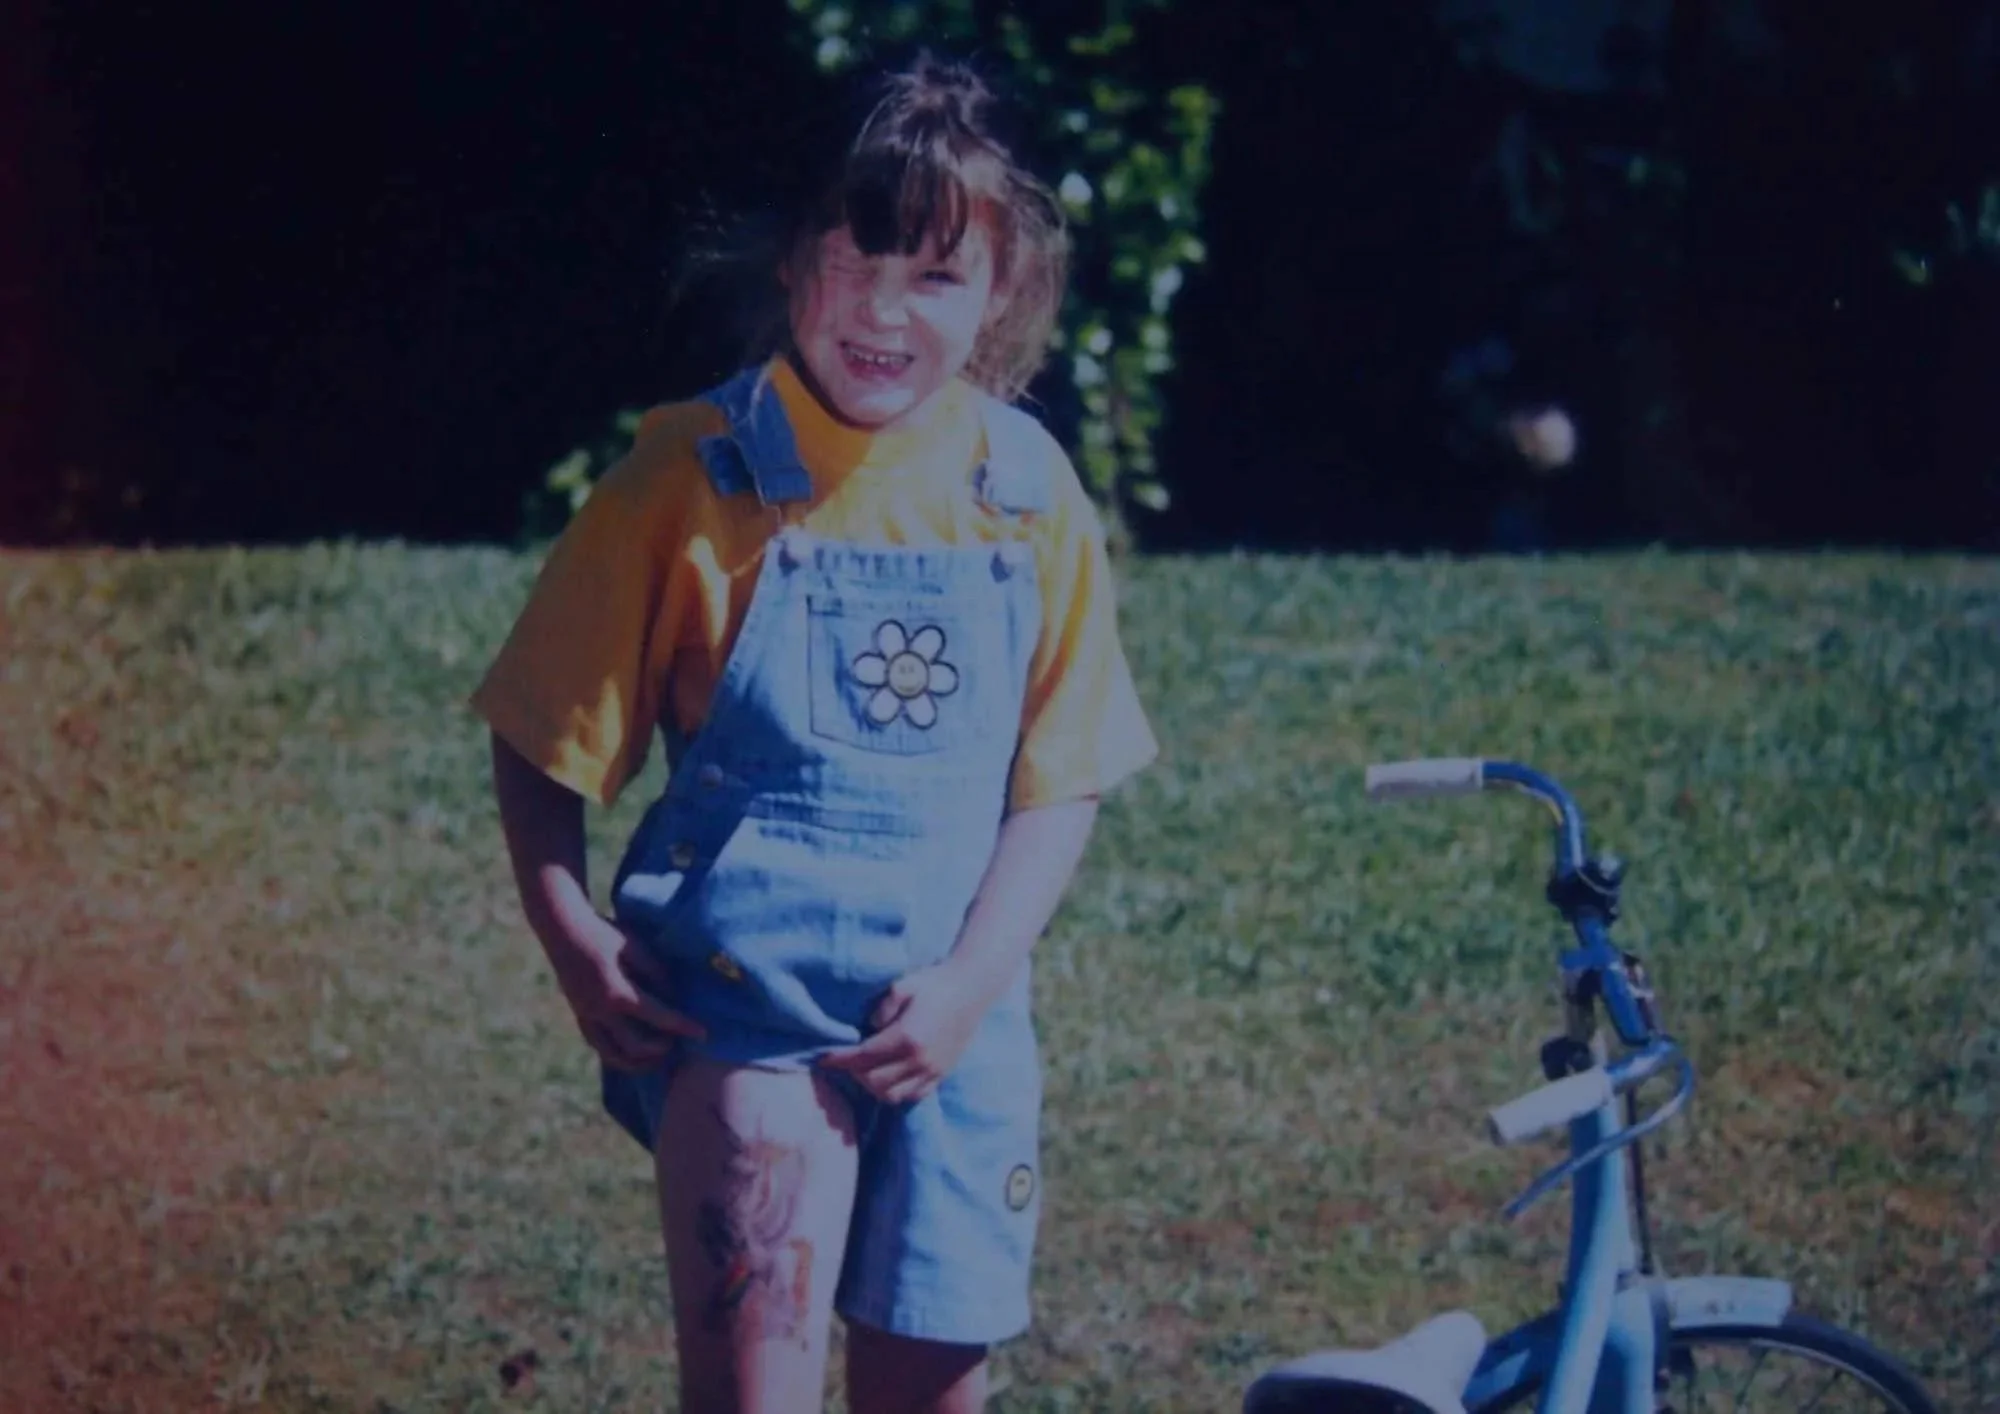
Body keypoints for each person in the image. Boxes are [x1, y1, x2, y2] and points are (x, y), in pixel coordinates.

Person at [471, 51, 1157, 1414]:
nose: (886, 313)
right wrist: (570, 934)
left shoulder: (1024, 492)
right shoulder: (690, 476)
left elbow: (1059, 781)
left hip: (953, 1040)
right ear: (790, 264)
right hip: (745, 1024)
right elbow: (543, 733)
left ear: (1004, 289)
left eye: (937, 277)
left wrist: (967, 986)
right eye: (855, 261)